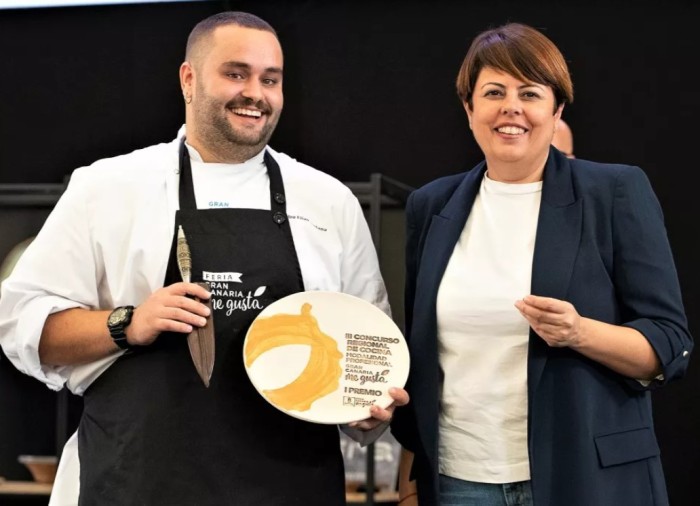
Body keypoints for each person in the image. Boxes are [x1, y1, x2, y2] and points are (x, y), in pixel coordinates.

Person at [0, 11, 408, 506]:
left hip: (290, 485)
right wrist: (127, 322)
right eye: (236, 73)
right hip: (138, 481)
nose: (255, 92)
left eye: (270, 79)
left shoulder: (328, 200)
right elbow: (21, 325)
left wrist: (365, 407)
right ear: (188, 79)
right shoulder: (108, 187)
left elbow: (367, 349)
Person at [391, 22, 692, 506]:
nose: (510, 106)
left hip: (588, 479)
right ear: (470, 109)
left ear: (556, 112)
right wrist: (407, 472)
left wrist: (579, 332)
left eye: (529, 92)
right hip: (460, 482)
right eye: (493, 92)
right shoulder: (432, 205)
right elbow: (425, 352)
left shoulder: (613, 192)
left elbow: (670, 344)